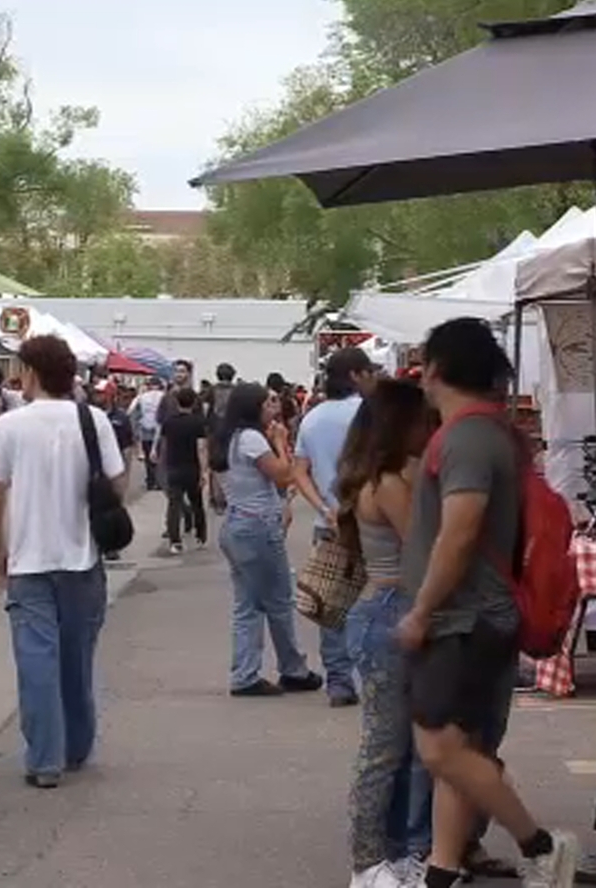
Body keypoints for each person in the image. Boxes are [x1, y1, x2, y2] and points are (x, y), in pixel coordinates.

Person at [399, 318, 577, 888]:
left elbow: (459, 531)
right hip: (476, 614)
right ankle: (443, 869)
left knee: (438, 747)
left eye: (426, 361)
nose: (419, 374)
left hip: (463, 617)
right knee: (464, 747)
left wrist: (422, 610)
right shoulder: (482, 432)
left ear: (442, 367)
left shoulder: (467, 438)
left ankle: (539, 844)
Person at [0, 335, 126, 789]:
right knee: (77, 658)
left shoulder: (9, 426)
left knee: (35, 661)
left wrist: (0, 549)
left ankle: (44, 759)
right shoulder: (93, 419)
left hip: (28, 560)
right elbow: (117, 484)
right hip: (82, 557)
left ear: (33, 373)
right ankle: (77, 746)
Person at [337, 380, 436, 888]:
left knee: (399, 747)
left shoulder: (372, 478)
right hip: (391, 608)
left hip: (379, 610)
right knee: (385, 747)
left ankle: (393, 852)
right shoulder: (391, 483)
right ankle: (369, 860)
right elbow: (424, 547)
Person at [211, 382, 322, 698]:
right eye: (268, 403)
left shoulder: (231, 438)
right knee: (278, 600)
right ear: (253, 408)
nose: (274, 408)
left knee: (248, 603)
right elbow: (284, 475)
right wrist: (281, 441)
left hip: (239, 524)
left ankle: (246, 672)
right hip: (257, 527)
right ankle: (292, 668)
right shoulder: (251, 438)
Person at [294, 347, 381, 708]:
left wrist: (324, 507)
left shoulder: (311, 419)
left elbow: (299, 471)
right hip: (372, 522)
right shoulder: (369, 415)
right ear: (357, 375)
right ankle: (371, 677)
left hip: (328, 524)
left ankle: (338, 681)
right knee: (374, 601)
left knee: (331, 603)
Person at [156, 386, 208, 554]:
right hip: (192, 467)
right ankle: (200, 535)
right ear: (194, 403)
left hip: (174, 466)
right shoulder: (198, 422)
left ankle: (175, 541)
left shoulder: (169, 422)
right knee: (196, 502)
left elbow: (164, 445)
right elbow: (201, 448)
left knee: (174, 504)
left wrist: (162, 463)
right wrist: (203, 470)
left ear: (176, 402)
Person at [129, 377, 166, 490]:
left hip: (145, 427)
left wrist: (135, 427)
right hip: (160, 428)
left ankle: (150, 480)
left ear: (149, 385)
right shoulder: (164, 396)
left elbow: (131, 411)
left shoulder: (142, 397)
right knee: (159, 455)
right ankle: (159, 481)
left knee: (148, 454)